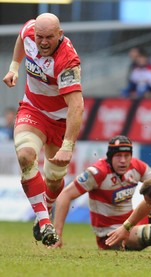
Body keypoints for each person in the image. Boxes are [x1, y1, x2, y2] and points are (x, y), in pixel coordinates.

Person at [2, 13, 84, 247]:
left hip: (60, 121)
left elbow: (77, 106)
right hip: (33, 110)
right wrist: (14, 68)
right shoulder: (29, 31)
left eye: (49, 37)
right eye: (40, 37)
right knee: (25, 156)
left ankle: (47, 204)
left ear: (60, 34)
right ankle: (45, 222)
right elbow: (21, 37)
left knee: (55, 181)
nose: (44, 42)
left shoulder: (68, 60)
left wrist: (68, 147)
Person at [52, 135, 151, 250]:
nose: (123, 160)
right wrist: (57, 233)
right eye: (118, 156)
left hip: (130, 225)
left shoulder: (136, 166)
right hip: (109, 235)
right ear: (110, 157)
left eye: (127, 156)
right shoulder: (97, 173)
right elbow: (65, 195)